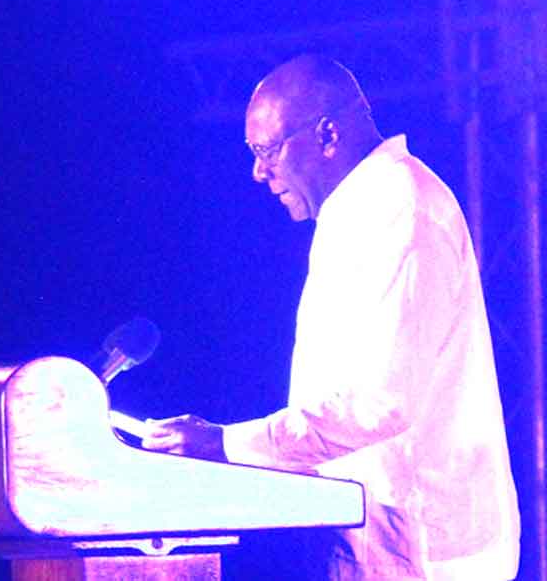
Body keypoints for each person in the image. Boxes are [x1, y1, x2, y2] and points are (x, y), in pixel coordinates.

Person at [141, 55, 521, 580]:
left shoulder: (401, 210)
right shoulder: (359, 211)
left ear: (327, 135)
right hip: (379, 542)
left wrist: (226, 445)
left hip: (424, 552)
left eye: (266, 150)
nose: (258, 172)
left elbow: (379, 404)